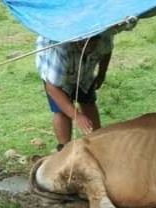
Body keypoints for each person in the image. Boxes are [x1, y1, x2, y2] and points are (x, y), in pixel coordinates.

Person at [35, 17, 137, 152]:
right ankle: (64, 149)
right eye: (83, 43)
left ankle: (97, 142)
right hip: (59, 76)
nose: (87, 46)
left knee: (88, 100)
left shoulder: (104, 36)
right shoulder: (58, 49)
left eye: (92, 42)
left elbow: (106, 52)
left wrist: (101, 73)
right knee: (62, 111)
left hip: (85, 72)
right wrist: (77, 116)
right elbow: (52, 87)